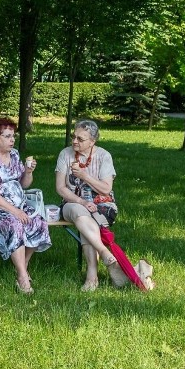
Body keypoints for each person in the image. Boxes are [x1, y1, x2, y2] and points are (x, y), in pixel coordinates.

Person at [0, 117, 51, 294]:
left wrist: (28, 172)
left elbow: (23, 184)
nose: (12, 140)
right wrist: (15, 211)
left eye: (13, 136)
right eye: (7, 136)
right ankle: (23, 277)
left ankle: (22, 267)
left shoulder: (14, 154)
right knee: (14, 224)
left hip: (17, 202)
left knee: (38, 221)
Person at [55, 119, 127, 291]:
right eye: (74, 137)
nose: (74, 141)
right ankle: (104, 253)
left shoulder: (104, 156)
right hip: (73, 203)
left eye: (80, 139)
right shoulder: (65, 154)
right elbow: (60, 188)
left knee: (87, 223)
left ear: (93, 141)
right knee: (81, 213)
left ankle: (92, 276)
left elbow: (106, 189)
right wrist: (82, 201)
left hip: (103, 205)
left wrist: (84, 176)